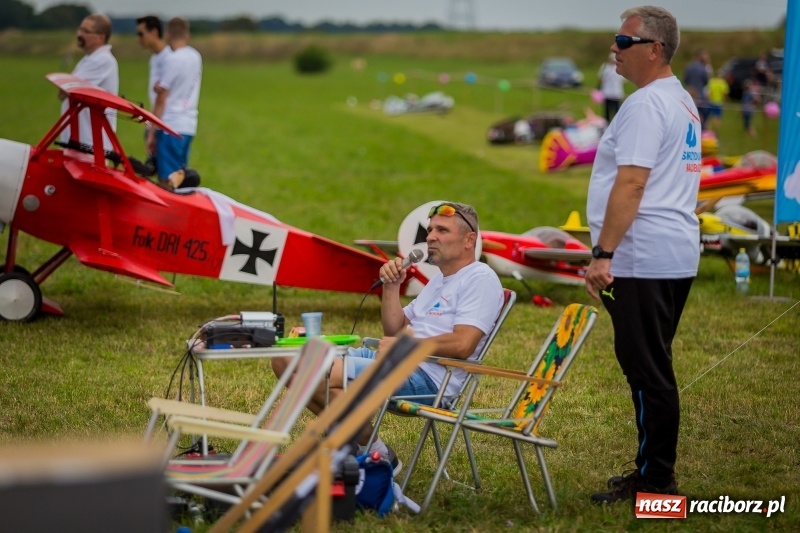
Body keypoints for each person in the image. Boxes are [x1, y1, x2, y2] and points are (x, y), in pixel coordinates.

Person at [272, 202, 504, 472]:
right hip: (395, 361)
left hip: (429, 378)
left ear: (469, 240)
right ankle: (358, 446)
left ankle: (374, 454)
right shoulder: (441, 280)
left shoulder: (480, 279)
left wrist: (408, 345)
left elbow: (464, 344)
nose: (430, 236)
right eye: (430, 230)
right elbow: (394, 330)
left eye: (442, 230)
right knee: (284, 359)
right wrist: (392, 287)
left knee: (317, 371)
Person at [584, 6, 700, 504]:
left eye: (624, 40)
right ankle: (650, 470)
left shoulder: (647, 104)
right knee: (648, 366)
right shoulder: (680, 100)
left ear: (655, 49)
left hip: (643, 256)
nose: (614, 47)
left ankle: (658, 484)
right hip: (671, 253)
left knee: (648, 370)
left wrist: (603, 253)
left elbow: (631, 183)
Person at [146, 17, 202, 190]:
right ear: (188, 34)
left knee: (167, 183)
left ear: (168, 34)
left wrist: (151, 132)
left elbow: (161, 99)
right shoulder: (195, 56)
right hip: (188, 125)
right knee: (180, 180)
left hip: (170, 126)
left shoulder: (172, 59)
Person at [58, 13, 119, 150]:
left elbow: (66, 90)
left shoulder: (102, 60)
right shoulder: (89, 59)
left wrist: (65, 89)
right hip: (80, 139)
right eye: (80, 29)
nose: (80, 34)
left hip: (90, 142)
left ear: (101, 37)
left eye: (86, 31)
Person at [136, 15, 172, 113]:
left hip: (167, 119)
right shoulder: (154, 58)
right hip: (157, 117)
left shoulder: (170, 57)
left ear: (154, 32)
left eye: (141, 34)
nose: (138, 39)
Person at [683, 48, 710, 127]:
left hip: (689, 94)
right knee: (702, 116)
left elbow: (686, 79)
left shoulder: (688, 67)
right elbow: (706, 81)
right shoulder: (703, 68)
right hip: (700, 96)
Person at [598, 52, 626, 122]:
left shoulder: (619, 67)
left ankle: (616, 122)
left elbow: (623, 79)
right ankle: (606, 123)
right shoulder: (605, 66)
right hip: (607, 92)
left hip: (616, 93)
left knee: (616, 109)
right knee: (607, 110)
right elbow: (601, 77)